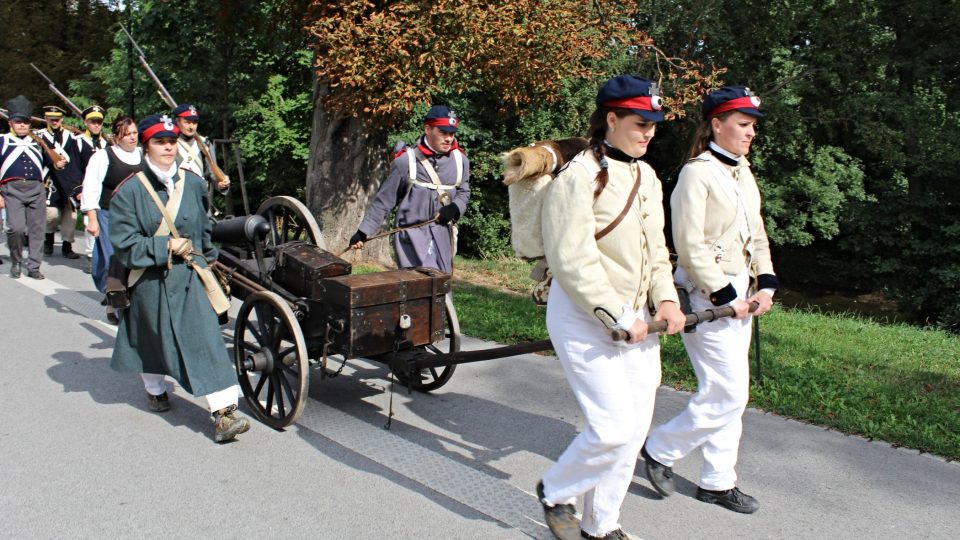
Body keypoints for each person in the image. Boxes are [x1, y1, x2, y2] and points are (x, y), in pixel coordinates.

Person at [535, 75, 686, 540]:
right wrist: (617, 315)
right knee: (612, 427)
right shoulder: (577, 176)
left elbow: (657, 250)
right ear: (612, 119)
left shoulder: (647, 175)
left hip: (638, 319)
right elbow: (570, 259)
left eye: (654, 125)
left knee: (635, 427)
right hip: (584, 316)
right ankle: (557, 491)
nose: (648, 133)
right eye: (640, 123)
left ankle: (602, 526)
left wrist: (666, 298)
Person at [641, 86, 778, 514]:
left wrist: (767, 282)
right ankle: (661, 449)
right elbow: (689, 243)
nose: (750, 132)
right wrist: (725, 294)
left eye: (753, 126)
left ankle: (718, 481)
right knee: (729, 393)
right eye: (742, 124)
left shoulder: (742, 171)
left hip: (743, 291)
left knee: (727, 391)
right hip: (707, 295)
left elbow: (755, 232)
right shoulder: (696, 173)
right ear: (716, 124)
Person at [109, 114, 250, 443]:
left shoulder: (194, 184)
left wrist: (212, 265)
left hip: (188, 276)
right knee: (151, 340)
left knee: (206, 340)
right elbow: (125, 245)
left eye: (172, 141)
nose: (168, 147)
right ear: (147, 146)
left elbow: (202, 232)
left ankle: (224, 412)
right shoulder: (129, 191)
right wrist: (164, 246)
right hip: (149, 278)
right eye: (160, 142)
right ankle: (155, 389)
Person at [348, 105, 469, 273]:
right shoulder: (406, 162)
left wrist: (455, 208)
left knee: (441, 287)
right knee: (416, 287)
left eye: (452, 133)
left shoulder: (460, 161)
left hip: (443, 235)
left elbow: (464, 192)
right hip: (411, 238)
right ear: (428, 129)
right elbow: (384, 201)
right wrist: (363, 232)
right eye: (443, 132)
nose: (449, 138)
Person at [80, 115, 142, 323]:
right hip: (109, 215)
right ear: (116, 137)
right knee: (112, 259)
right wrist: (92, 217)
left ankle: (130, 298)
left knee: (134, 260)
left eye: (134, 133)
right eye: (127, 135)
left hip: (137, 216)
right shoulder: (103, 156)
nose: (133, 138)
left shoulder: (143, 156)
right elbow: (92, 186)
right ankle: (113, 301)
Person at [1, 96, 66, 279]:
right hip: (11, 190)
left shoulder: (39, 141)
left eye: (26, 122)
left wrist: (58, 164)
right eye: (18, 121)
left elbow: (52, 161)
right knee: (16, 228)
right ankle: (16, 261)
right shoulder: (2, 141)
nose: (22, 125)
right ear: (11, 123)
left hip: (37, 189)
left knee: (37, 229)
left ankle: (34, 267)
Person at [36, 105, 83, 259]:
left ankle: (67, 246)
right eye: (51, 119)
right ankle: (48, 240)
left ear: (62, 119)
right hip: (51, 181)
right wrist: (52, 163)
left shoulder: (71, 137)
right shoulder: (39, 137)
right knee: (51, 215)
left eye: (57, 119)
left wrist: (78, 185)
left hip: (69, 181)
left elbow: (76, 161)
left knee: (71, 217)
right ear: (46, 119)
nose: (54, 121)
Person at [76, 105, 110, 273]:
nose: (96, 125)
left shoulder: (107, 143)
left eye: (99, 122)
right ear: (86, 122)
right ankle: (90, 255)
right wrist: (77, 189)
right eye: (92, 122)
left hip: (105, 188)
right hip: (86, 186)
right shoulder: (78, 142)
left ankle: (102, 254)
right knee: (89, 221)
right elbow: (74, 168)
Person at [172, 104, 230, 193]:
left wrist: (222, 183)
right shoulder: (170, 143)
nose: (191, 127)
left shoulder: (204, 143)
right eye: (187, 122)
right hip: (175, 195)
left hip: (198, 195)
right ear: (177, 121)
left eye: (194, 122)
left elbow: (212, 171)